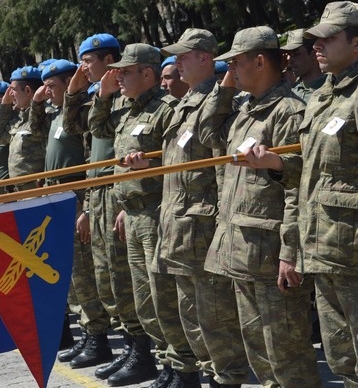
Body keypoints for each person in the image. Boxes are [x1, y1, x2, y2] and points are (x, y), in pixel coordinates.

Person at [204, 25, 322, 387]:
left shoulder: (287, 112)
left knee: (288, 356)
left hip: (272, 255)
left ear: (260, 61)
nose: (231, 71)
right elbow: (209, 133)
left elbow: (297, 189)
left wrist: (290, 252)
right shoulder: (245, 110)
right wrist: (225, 85)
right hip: (242, 251)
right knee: (260, 352)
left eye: (236, 63)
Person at [151, 28, 250, 387]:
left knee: (215, 318)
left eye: (183, 56)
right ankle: (208, 374)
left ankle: (226, 379)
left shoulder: (222, 102)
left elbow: (225, 172)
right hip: (179, 226)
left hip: (204, 228)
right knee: (192, 316)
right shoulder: (185, 103)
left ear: (205, 59)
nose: (177, 63)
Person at [88, 43, 178, 387]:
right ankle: (161, 362)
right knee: (144, 300)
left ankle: (180, 369)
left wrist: (150, 167)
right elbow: (98, 129)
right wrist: (104, 95)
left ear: (147, 73)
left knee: (163, 298)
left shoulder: (165, 110)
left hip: (156, 213)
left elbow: (178, 168)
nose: (119, 77)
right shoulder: (126, 110)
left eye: (126, 71)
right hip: (133, 214)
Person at [64, 33, 143, 383]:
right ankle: (130, 347)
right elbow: (74, 126)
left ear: (109, 62)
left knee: (123, 278)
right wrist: (75, 92)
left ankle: (141, 351)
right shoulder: (102, 98)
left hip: (118, 195)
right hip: (98, 195)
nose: (84, 66)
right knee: (107, 278)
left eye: (89, 61)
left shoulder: (124, 100)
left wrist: (104, 95)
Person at [32, 59, 113, 370]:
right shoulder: (57, 116)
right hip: (55, 195)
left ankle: (98, 336)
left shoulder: (88, 112)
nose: (47, 91)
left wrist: (85, 204)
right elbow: (36, 130)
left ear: (70, 83)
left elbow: (90, 153)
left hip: (76, 196)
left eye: (53, 86)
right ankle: (88, 332)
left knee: (83, 272)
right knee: (70, 274)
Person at [298, 1, 358, 387]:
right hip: (324, 249)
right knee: (342, 358)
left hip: (352, 253)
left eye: (329, 38)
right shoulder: (324, 96)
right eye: (315, 39)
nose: (317, 46)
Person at [0, 66, 46, 191]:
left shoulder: (45, 114)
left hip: (37, 187)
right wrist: (4, 106)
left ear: (27, 91)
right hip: (20, 188)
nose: (10, 95)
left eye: (13, 90)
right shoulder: (18, 119)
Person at [280, 28, 326, 102]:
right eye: (289, 54)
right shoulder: (291, 93)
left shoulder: (330, 86)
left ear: (313, 54)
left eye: (296, 54)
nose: (290, 60)